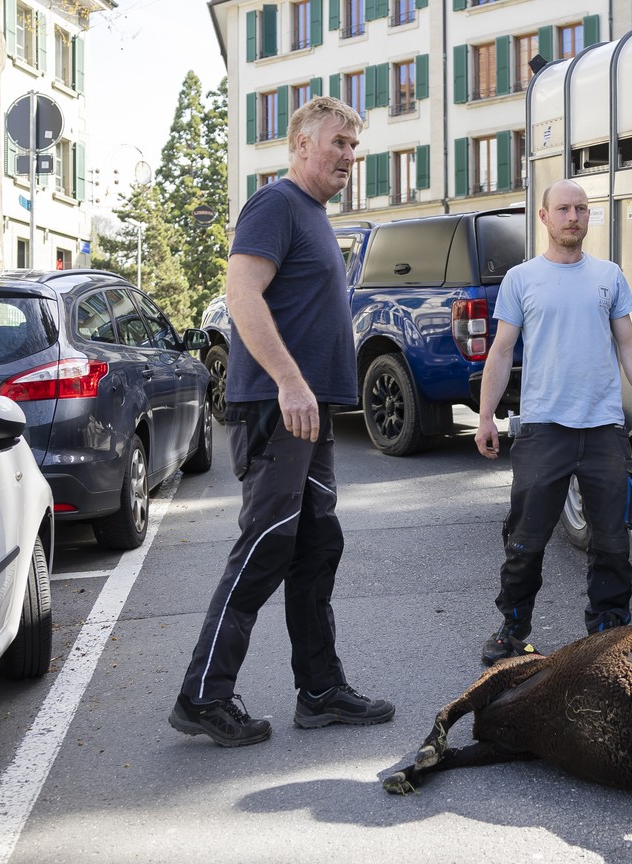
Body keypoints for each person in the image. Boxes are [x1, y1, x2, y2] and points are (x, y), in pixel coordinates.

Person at [171, 97, 394, 747]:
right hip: (276, 409)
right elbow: (241, 295)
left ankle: (321, 690)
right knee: (266, 547)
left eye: (356, 144)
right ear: (300, 144)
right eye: (338, 142)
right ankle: (203, 695)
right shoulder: (275, 205)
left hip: (309, 414)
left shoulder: (314, 216)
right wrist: (291, 381)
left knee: (316, 545)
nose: (351, 154)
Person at [473, 179, 632, 666]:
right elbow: (500, 351)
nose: (573, 217)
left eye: (581, 208)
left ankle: (608, 631)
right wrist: (484, 418)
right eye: (563, 209)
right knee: (525, 540)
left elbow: (627, 343)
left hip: (603, 427)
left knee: (612, 542)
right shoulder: (522, 278)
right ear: (544, 217)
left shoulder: (608, 275)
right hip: (542, 427)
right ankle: (512, 629)